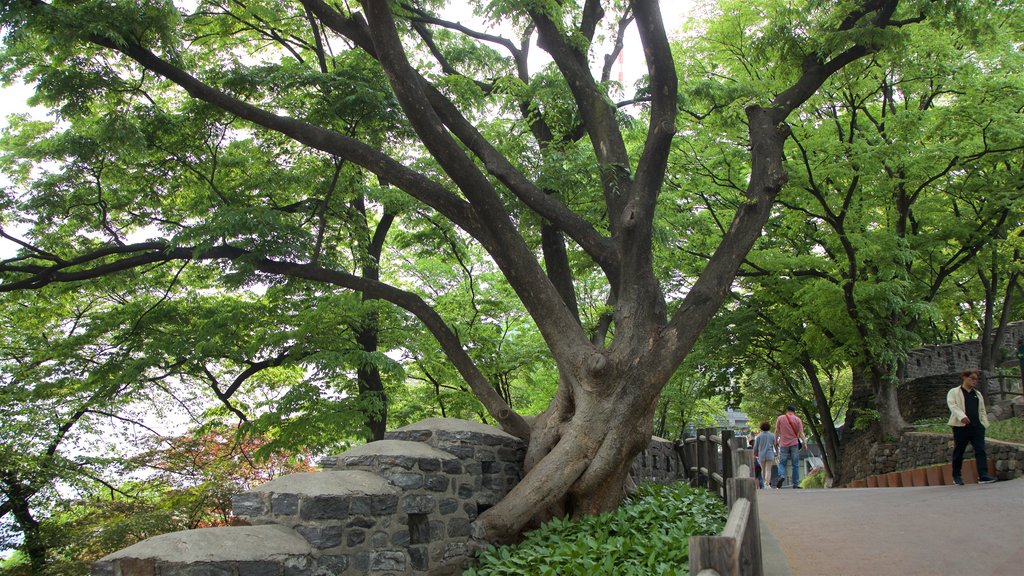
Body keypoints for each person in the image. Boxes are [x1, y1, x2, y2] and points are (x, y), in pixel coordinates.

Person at [947, 369, 996, 485]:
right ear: (964, 377)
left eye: (976, 379)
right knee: (959, 451)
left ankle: (983, 475)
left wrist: (983, 423)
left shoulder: (977, 394)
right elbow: (952, 406)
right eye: (972, 378)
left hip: (977, 426)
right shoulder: (954, 392)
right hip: (961, 426)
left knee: (980, 450)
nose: (975, 381)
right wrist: (961, 416)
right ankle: (957, 476)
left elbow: (982, 410)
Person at [774, 405, 807, 489]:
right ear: (794, 411)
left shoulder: (780, 418)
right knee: (795, 464)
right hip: (794, 444)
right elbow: (801, 433)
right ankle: (795, 483)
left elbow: (777, 431)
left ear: (787, 410)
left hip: (783, 443)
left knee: (782, 463)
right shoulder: (797, 419)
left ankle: (781, 475)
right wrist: (805, 443)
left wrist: (775, 441)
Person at [752, 421, 777, 489]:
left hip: (761, 455)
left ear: (761, 427)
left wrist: (754, 455)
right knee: (768, 470)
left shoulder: (759, 436)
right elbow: (775, 444)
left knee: (763, 470)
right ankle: (767, 484)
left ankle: (763, 483)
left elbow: (755, 447)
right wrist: (777, 452)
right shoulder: (772, 435)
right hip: (770, 454)